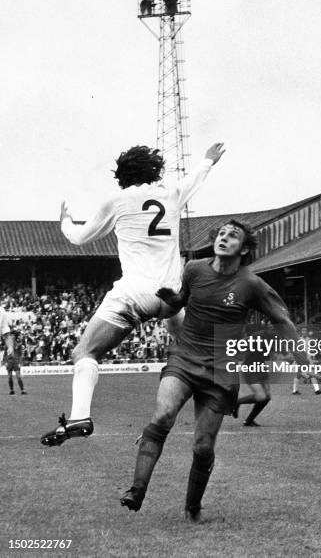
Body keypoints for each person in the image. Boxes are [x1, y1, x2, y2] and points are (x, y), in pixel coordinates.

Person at [120, 219, 310, 522]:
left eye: (232, 236)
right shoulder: (194, 268)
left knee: (203, 444)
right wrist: (171, 298)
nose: (223, 238)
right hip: (185, 355)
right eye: (221, 233)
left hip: (221, 369)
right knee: (163, 415)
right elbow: (182, 299)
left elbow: (283, 321)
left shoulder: (252, 284)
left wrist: (305, 363)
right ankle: (136, 490)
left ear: (244, 248)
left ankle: (193, 506)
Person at [40, 142, 225, 447]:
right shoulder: (172, 194)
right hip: (170, 297)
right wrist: (208, 160)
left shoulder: (117, 201)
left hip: (135, 293)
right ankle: (211, 383)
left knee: (84, 353)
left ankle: (79, 417)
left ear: (121, 175)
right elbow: (196, 178)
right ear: (154, 170)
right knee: (183, 335)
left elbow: (78, 238)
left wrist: (65, 219)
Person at [292, 327, 321, 396]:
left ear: (307, 332)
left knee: (300, 375)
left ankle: (295, 390)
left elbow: (311, 350)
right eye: (303, 330)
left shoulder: (309, 340)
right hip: (301, 360)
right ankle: (316, 390)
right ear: (301, 332)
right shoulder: (299, 340)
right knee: (304, 374)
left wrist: (313, 358)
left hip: (307, 359)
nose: (304, 332)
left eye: (305, 330)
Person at [0, 310, 27, 395]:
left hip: (15, 361)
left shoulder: (18, 344)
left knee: (18, 377)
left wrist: (20, 362)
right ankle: (12, 390)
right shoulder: (8, 343)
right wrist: (4, 361)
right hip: (9, 361)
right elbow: (5, 353)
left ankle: (22, 390)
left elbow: (20, 353)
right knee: (9, 377)